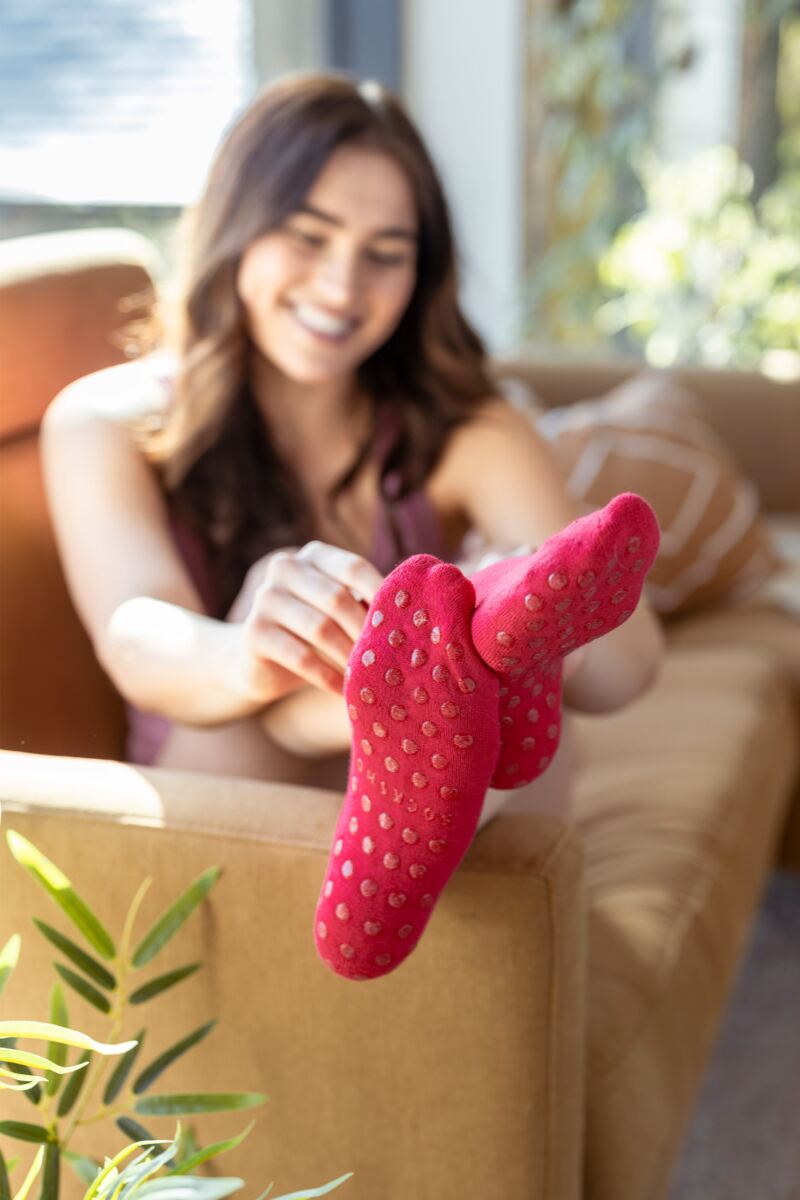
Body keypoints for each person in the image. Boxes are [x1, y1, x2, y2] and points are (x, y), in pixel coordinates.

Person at [42, 73, 663, 979]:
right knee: (380, 698)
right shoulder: (104, 421)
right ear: (234, 225)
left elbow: (633, 665)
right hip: (235, 770)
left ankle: (473, 657)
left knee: (518, 709)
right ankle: (449, 666)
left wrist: (543, 648)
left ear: (422, 272)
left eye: (386, 251)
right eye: (308, 235)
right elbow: (135, 631)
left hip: (447, 800)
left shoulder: (464, 427)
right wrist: (254, 652)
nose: (342, 283)